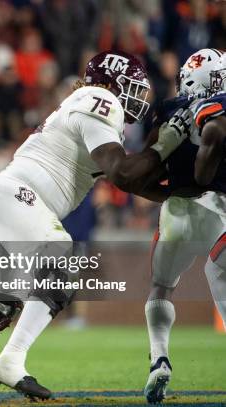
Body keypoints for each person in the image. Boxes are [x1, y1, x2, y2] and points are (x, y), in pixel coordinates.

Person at [0, 50, 192, 401]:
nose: (138, 99)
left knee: (9, 298)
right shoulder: (102, 99)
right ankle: (12, 359)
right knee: (62, 258)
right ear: (111, 83)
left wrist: (181, 191)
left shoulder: (93, 110)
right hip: (19, 196)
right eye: (132, 88)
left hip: (6, 197)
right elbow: (124, 174)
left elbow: (134, 181)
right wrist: (167, 142)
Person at [144, 48, 226, 404]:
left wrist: (164, 195)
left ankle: (159, 358)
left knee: (161, 287)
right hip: (219, 208)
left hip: (176, 209)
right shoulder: (220, 106)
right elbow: (213, 140)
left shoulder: (167, 109)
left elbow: (148, 166)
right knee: (219, 276)